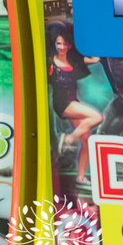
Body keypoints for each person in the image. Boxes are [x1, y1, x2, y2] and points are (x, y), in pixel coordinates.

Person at [46, 22, 101, 185]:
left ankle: (80, 177)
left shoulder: (73, 60)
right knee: (97, 117)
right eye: (59, 44)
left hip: (73, 101)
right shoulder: (50, 62)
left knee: (85, 138)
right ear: (54, 44)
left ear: (69, 45)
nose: (62, 47)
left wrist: (82, 42)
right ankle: (69, 139)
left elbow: (95, 58)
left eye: (65, 44)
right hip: (62, 103)